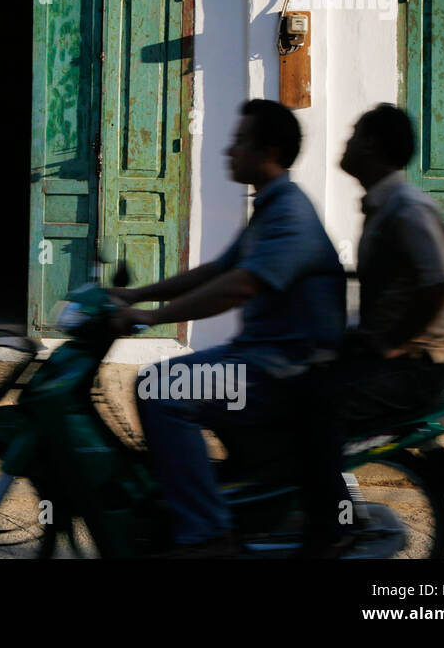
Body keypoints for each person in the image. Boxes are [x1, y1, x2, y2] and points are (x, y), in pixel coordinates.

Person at [112, 99, 346, 557]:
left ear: (270, 150)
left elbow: (238, 286)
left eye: (239, 141)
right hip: (261, 357)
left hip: (281, 368)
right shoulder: (270, 206)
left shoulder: (289, 214)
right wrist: (134, 296)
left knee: (162, 389)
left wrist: (153, 317)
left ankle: (205, 534)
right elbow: (217, 271)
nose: (228, 151)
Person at [336, 103, 444, 428]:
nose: (345, 143)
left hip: (419, 366)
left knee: (318, 407)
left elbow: (440, 284)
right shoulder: (383, 205)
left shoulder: (407, 209)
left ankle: (328, 480)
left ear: (371, 145)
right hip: (397, 358)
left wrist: (393, 343)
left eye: (354, 135)